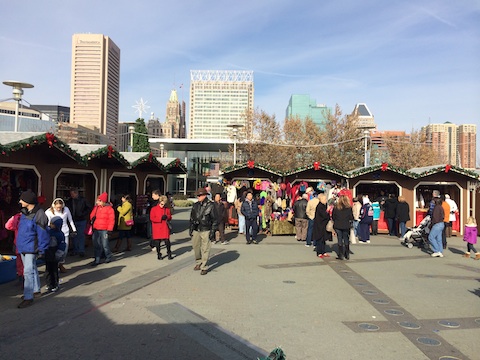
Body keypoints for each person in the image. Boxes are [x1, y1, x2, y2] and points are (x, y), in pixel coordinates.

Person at [16, 190, 50, 308]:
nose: (20, 201)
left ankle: (28, 297)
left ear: (28, 201)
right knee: (32, 269)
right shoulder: (25, 212)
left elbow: (42, 233)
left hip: (31, 246)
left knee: (28, 272)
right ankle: (35, 290)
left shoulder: (39, 214)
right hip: (23, 245)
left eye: (22, 199)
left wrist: (42, 248)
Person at [189, 188, 217, 275]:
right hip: (196, 228)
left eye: (199, 195)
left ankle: (204, 266)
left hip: (206, 228)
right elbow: (191, 217)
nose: (198, 197)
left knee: (205, 248)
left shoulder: (211, 205)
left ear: (205, 195)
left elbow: (215, 219)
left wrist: (213, 231)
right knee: (196, 247)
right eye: (197, 195)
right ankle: (199, 262)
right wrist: (191, 228)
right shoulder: (195, 205)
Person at [45, 198, 76, 273]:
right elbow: (47, 223)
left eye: (60, 207)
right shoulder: (48, 212)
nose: (59, 208)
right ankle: (52, 265)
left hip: (65, 232)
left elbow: (70, 220)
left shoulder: (66, 210)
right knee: (53, 250)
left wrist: (74, 229)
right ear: (54, 205)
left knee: (64, 251)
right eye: (57, 207)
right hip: (54, 234)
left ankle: (61, 263)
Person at [89, 192, 115, 266]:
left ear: (103, 201)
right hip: (96, 228)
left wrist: (110, 230)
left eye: (99, 200)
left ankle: (108, 256)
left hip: (104, 229)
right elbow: (91, 215)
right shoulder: (96, 207)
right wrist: (92, 217)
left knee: (105, 244)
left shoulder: (110, 209)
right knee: (96, 244)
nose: (97, 202)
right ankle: (97, 259)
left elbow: (111, 220)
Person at [65, 188, 90, 258]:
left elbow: (88, 208)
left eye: (72, 194)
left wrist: (83, 213)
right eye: (71, 194)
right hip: (73, 220)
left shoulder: (83, 200)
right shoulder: (69, 201)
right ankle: (75, 250)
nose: (71, 195)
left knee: (81, 235)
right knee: (74, 236)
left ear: (76, 193)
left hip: (81, 219)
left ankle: (81, 250)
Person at [45, 216, 66, 293]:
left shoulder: (60, 234)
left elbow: (62, 245)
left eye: (52, 224)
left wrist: (59, 254)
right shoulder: (49, 231)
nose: (50, 225)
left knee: (54, 270)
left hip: (55, 252)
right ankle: (49, 284)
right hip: (48, 252)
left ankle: (55, 284)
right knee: (48, 270)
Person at [150, 195, 173, 260]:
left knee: (167, 241)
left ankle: (169, 253)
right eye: (162, 204)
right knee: (157, 242)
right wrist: (160, 218)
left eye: (164, 204)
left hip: (164, 227)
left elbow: (170, 217)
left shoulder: (167, 209)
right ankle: (159, 253)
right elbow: (152, 218)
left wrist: (167, 217)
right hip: (157, 227)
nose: (163, 205)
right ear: (159, 202)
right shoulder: (154, 209)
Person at [332, 195, 354, 260]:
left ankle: (340, 255)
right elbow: (351, 217)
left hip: (338, 225)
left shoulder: (336, 207)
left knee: (339, 239)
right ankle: (347, 254)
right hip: (346, 225)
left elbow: (333, 216)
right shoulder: (349, 208)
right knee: (346, 239)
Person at [312, 193, 330, 258]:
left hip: (323, 225)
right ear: (321, 199)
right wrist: (327, 211)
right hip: (319, 226)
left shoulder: (323, 205)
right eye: (325, 199)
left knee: (323, 239)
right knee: (319, 239)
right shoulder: (320, 206)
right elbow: (324, 215)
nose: (326, 200)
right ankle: (319, 252)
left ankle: (323, 251)